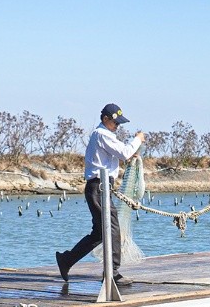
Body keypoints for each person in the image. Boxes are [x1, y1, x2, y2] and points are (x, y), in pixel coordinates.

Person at [56, 103, 145, 286]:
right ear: (105, 119)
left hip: (101, 188)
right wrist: (138, 139)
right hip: (98, 188)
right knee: (112, 229)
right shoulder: (101, 134)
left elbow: (118, 155)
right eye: (115, 122)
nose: (118, 126)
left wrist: (132, 154)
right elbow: (125, 152)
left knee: (99, 233)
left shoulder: (106, 136)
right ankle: (112, 273)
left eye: (119, 123)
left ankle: (67, 260)